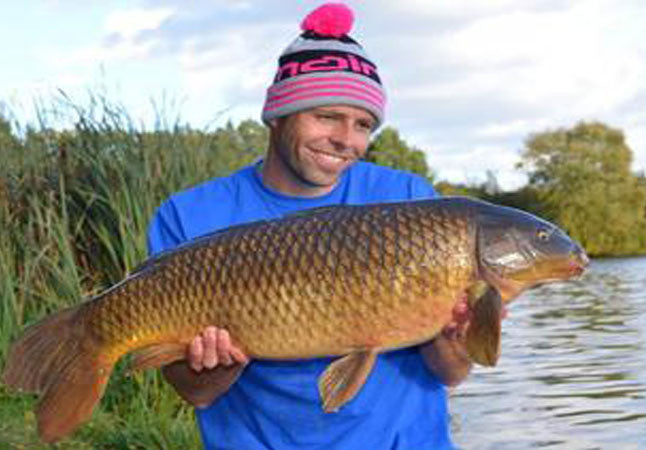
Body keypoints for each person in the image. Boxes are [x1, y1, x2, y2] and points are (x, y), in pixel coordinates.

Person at [146, 4, 473, 449]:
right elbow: (195, 392)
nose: (346, 139)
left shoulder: (409, 199)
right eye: (325, 116)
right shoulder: (189, 215)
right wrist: (217, 363)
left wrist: (456, 334)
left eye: (363, 125)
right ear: (278, 115)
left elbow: (451, 374)